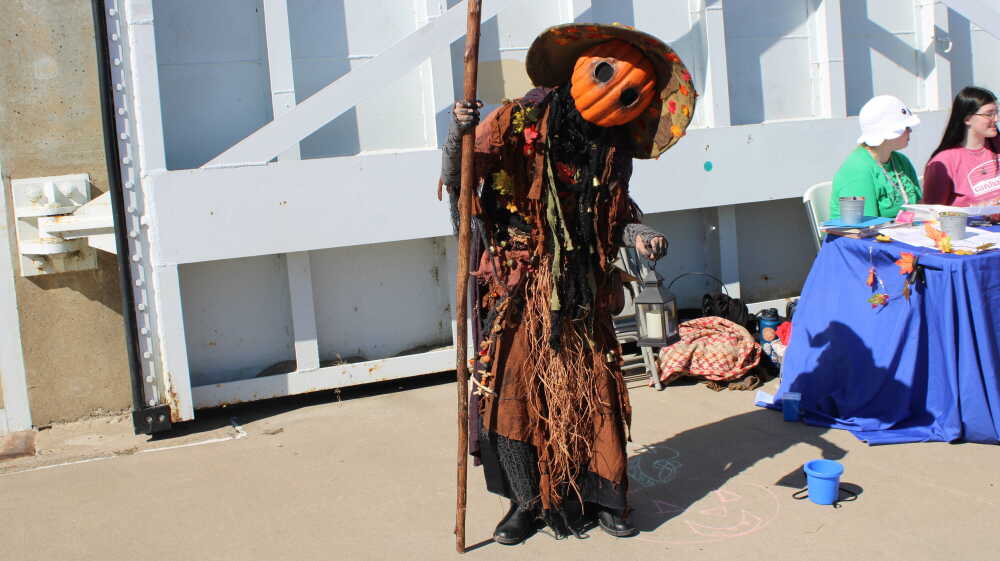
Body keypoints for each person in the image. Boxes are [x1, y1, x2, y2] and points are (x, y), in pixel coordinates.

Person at [438, 23, 696, 544]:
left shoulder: (612, 149)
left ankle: (603, 495)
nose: (614, 91)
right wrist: (458, 133)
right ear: (580, 67)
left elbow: (614, 213)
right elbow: (463, 178)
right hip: (520, 287)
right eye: (606, 73)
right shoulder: (520, 119)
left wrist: (638, 233)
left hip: (584, 289)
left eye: (630, 92)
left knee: (595, 391)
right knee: (513, 391)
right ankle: (525, 502)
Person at [829, 95, 922, 219]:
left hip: (901, 234)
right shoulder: (857, 170)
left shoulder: (902, 162)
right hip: (863, 236)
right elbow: (862, 226)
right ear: (888, 131)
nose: (910, 131)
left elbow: (921, 208)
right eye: (906, 127)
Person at [922, 87, 1000, 207]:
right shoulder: (943, 162)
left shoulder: (997, 145)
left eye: (996, 112)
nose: (996, 119)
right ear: (967, 119)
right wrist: (980, 209)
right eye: (989, 114)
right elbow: (932, 214)